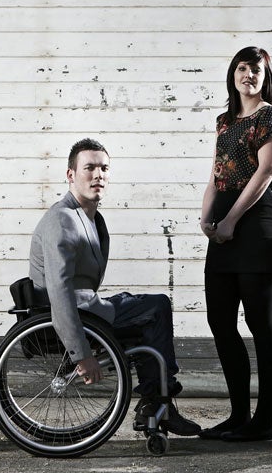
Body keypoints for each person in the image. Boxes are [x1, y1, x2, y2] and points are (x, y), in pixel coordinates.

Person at [29, 138, 201, 436]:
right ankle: (158, 401)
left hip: (89, 307)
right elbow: (59, 290)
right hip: (76, 314)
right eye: (90, 168)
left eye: (104, 168)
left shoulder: (91, 219)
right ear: (70, 175)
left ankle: (156, 401)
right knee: (156, 307)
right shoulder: (64, 220)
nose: (98, 175)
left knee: (150, 311)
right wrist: (81, 353)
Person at [198, 46, 272, 441]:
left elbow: (267, 170)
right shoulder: (224, 121)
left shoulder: (270, 117)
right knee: (220, 320)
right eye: (241, 68)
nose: (247, 74)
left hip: (254, 227)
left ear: (264, 77)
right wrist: (206, 217)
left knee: (259, 323)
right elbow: (217, 174)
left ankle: (264, 420)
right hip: (223, 227)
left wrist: (232, 219)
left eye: (255, 69)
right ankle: (238, 416)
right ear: (232, 75)